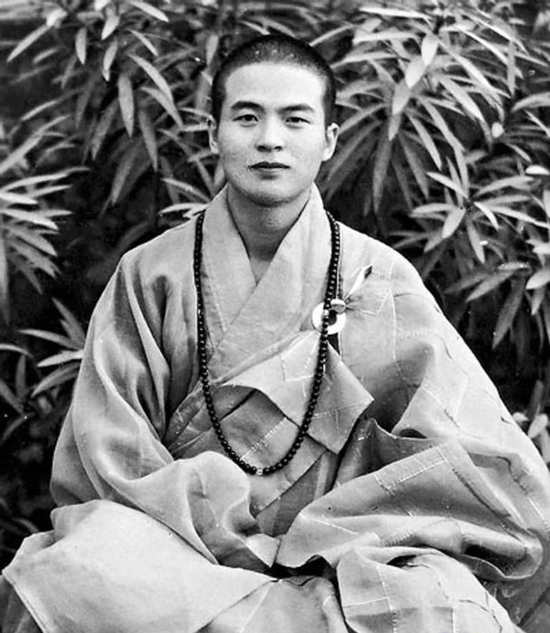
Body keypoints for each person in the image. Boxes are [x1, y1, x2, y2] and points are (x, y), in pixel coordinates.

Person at [1, 33, 550, 633]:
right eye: (247, 117)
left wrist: (332, 532)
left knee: (440, 604)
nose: (270, 139)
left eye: (295, 119)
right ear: (213, 133)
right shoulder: (151, 273)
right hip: (178, 550)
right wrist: (225, 529)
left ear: (329, 139)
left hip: (335, 556)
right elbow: (110, 452)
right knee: (70, 571)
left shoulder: (376, 277)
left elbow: (460, 450)